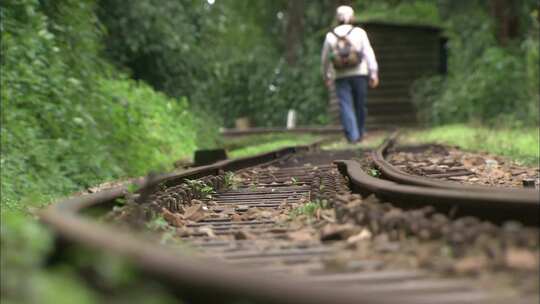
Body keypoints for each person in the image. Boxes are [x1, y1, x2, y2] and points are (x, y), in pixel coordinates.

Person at [321, 5, 379, 143]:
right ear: (352, 17)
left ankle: (352, 136)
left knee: (345, 105)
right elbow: (368, 53)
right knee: (360, 104)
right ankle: (360, 133)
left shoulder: (330, 35)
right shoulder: (359, 32)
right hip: (360, 73)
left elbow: (325, 59)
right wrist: (374, 72)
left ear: (337, 18)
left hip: (340, 75)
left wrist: (326, 76)